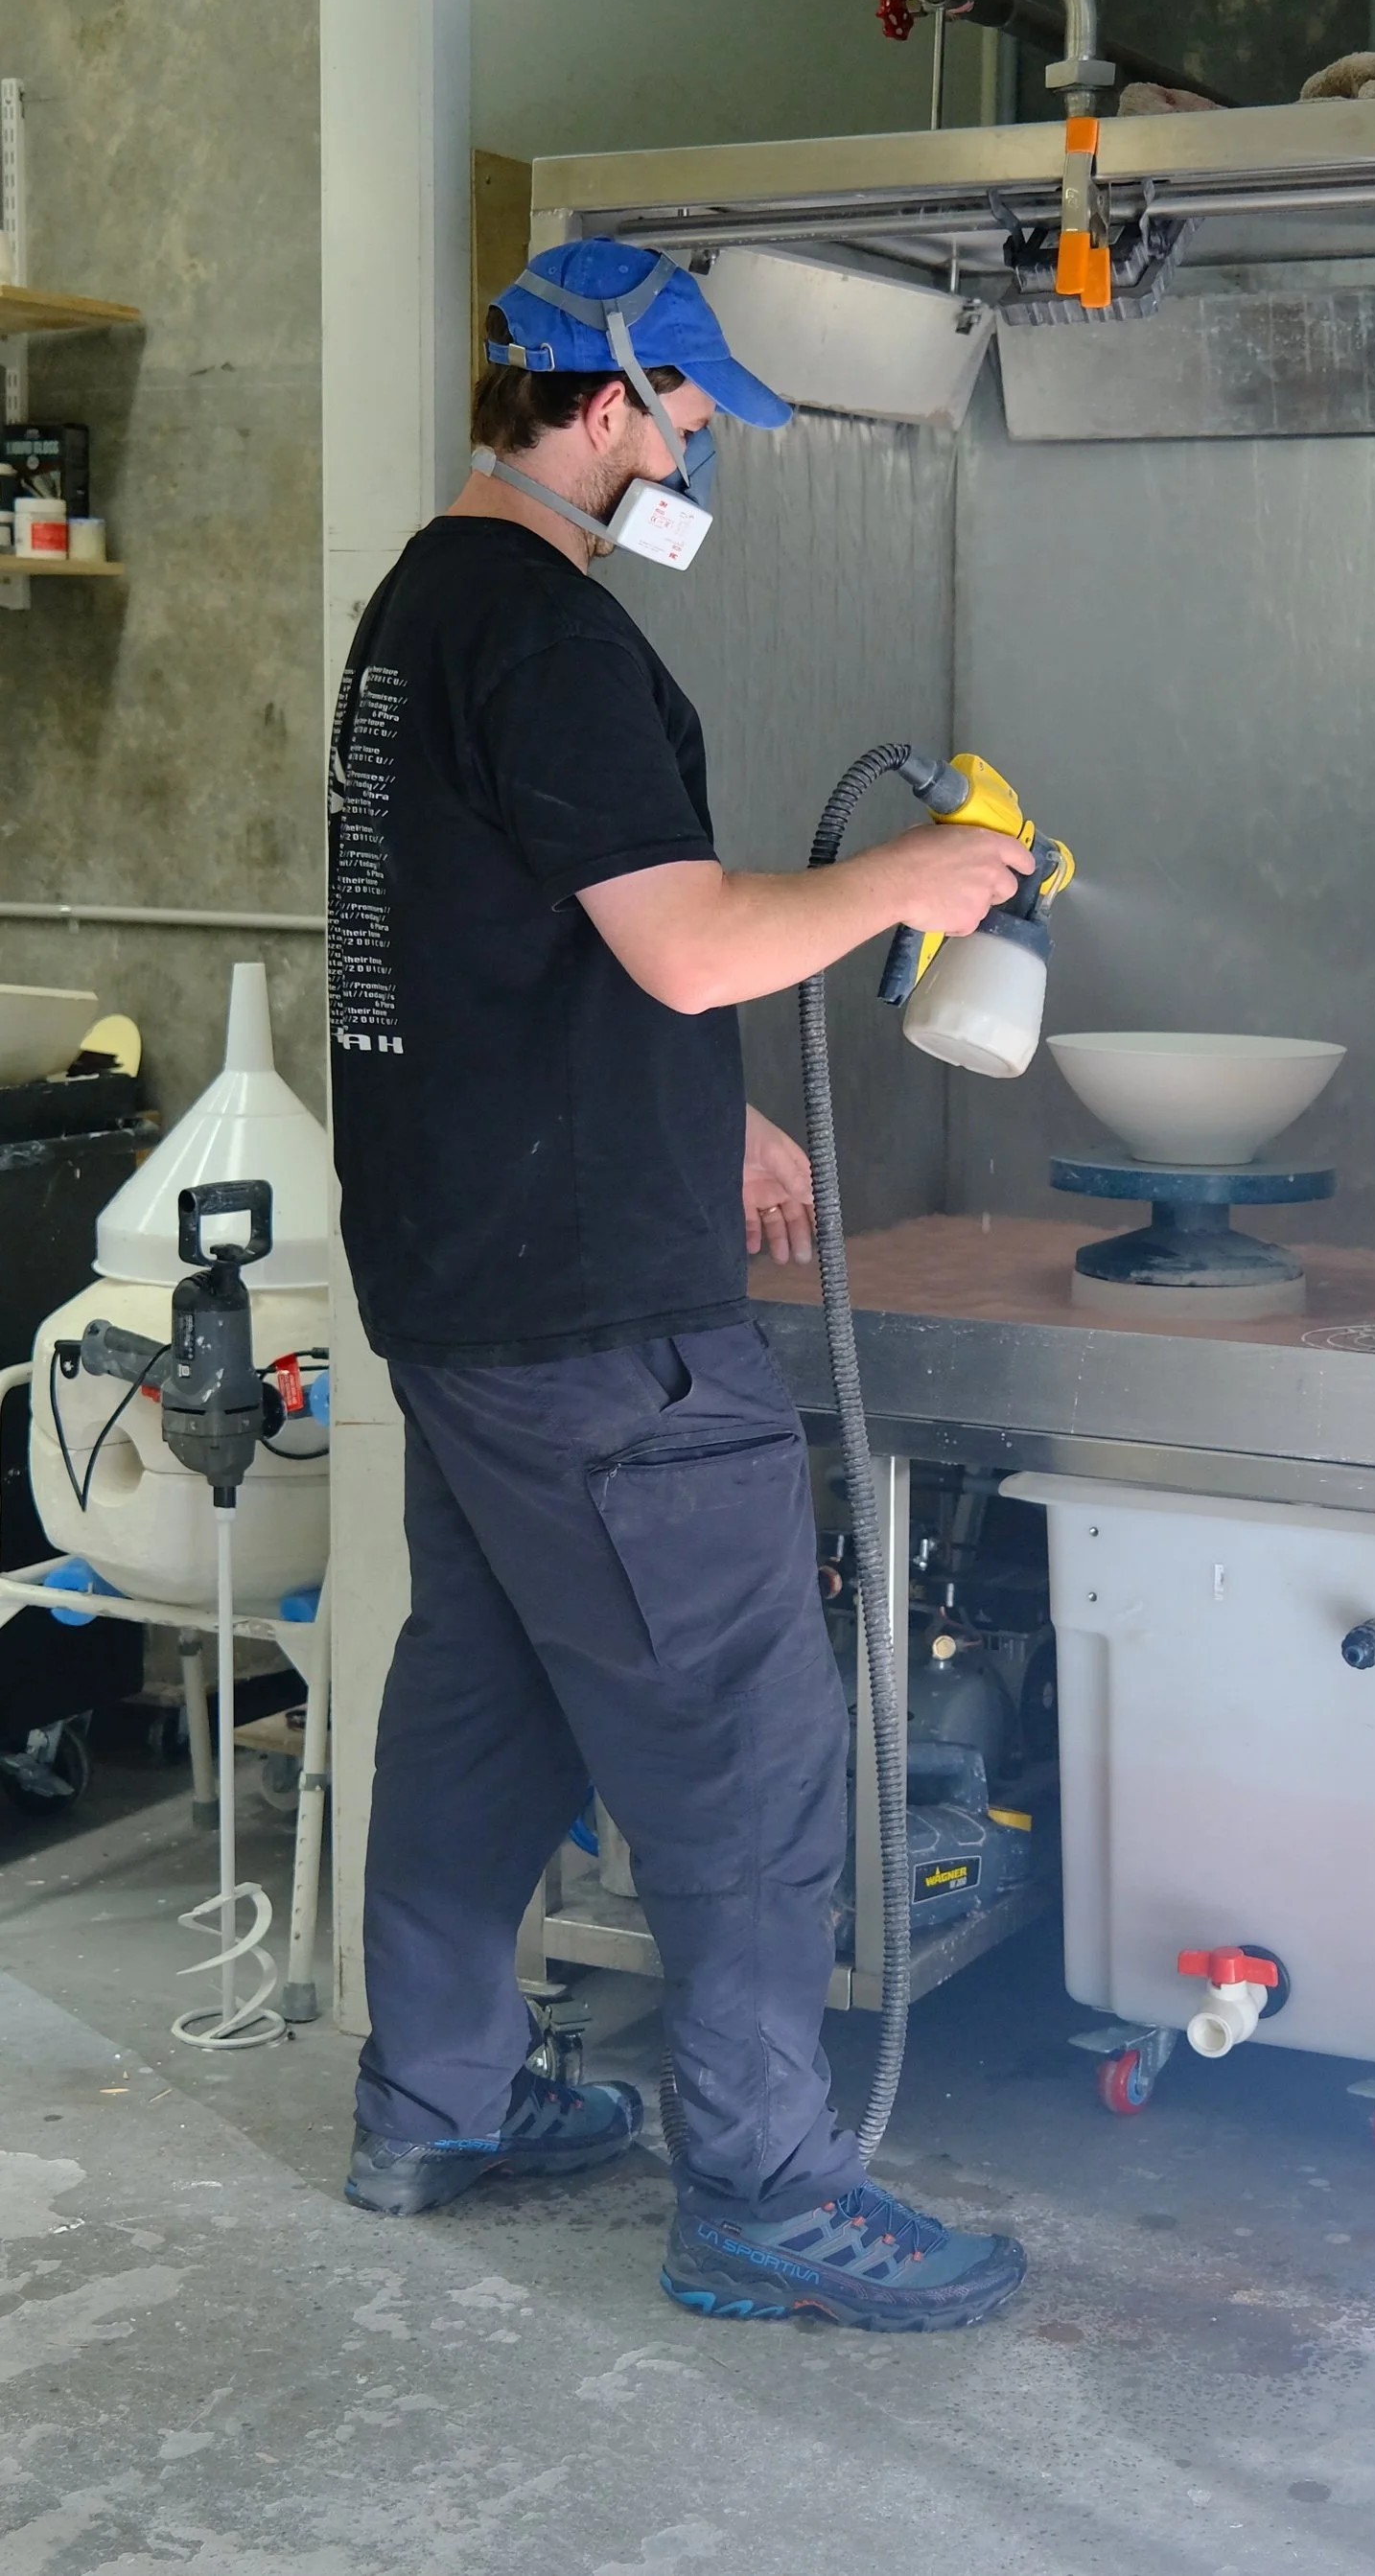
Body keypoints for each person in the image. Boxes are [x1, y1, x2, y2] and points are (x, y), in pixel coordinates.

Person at [327, 238, 1031, 2332]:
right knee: (745, 1737)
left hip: (461, 1277)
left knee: (485, 1709)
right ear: (605, 397)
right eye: (693, 407)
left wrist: (697, 1112)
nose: (704, 446)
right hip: (597, 1327)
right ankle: (765, 2189)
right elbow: (696, 938)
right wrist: (907, 883)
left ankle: (439, 2098)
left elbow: (508, 940)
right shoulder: (548, 632)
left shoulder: (423, 610)